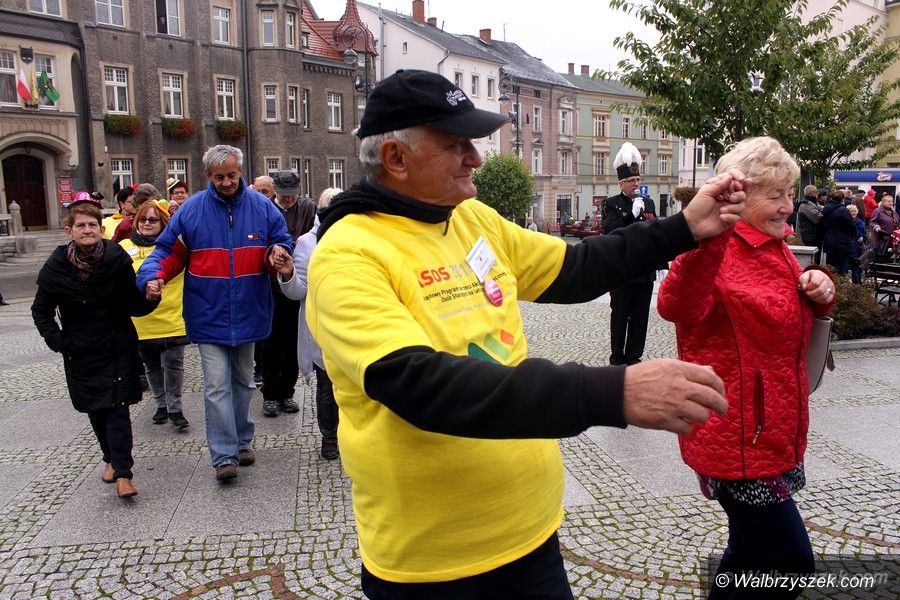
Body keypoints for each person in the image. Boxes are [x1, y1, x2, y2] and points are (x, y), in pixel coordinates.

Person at [303, 69, 750, 597]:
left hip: (532, 534)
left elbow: (575, 268)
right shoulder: (348, 254)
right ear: (395, 158)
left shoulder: (471, 218)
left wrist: (683, 228)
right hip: (434, 564)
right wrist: (612, 390)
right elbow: (419, 383)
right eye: (456, 144)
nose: (476, 157)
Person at [657, 137, 836, 600]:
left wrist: (820, 290)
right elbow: (675, 306)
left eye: (789, 193)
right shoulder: (718, 244)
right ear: (743, 196)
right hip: (737, 439)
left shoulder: (773, 245)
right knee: (792, 564)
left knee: (746, 553)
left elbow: (784, 325)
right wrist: (704, 242)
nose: (788, 206)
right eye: (776, 195)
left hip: (770, 430)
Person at [136, 144, 292, 482]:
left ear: (240, 171)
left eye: (231, 175)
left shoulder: (262, 207)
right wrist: (152, 276)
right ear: (208, 175)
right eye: (219, 177)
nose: (227, 182)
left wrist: (277, 254)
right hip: (208, 313)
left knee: (244, 382)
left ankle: (242, 439)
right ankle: (223, 456)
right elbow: (167, 252)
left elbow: (280, 241)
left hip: (249, 311)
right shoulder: (192, 210)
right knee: (217, 386)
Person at [32, 196, 157, 499]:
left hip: (117, 345)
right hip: (81, 350)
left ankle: (124, 474)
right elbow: (41, 311)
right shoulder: (56, 267)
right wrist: (58, 341)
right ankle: (110, 458)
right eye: (81, 225)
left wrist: (151, 297)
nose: (87, 230)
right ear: (69, 230)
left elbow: (132, 303)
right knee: (96, 409)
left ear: (101, 229)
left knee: (117, 408)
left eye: (92, 225)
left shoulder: (116, 258)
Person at [274, 187, 342, 459]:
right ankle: (329, 437)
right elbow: (297, 291)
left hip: (354, 322)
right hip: (322, 326)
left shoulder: (359, 237)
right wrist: (289, 273)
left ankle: (354, 435)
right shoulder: (307, 242)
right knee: (327, 386)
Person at [120, 200, 190, 429]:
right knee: (151, 367)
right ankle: (160, 405)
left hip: (173, 318)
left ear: (163, 223)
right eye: (142, 219)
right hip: (142, 321)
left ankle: (175, 408)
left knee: (174, 365)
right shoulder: (123, 247)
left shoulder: (175, 247)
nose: (147, 224)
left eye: (153, 220)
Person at [259, 171, 316, 417]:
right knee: (271, 343)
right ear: (275, 191)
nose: (289, 200)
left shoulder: (308, 208)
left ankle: (287, 392)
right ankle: (270, 394)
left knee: (294, 342)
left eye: (292, 195)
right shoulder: (265, 209)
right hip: (271, 287)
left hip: (297, 284)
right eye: (284, 196)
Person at [601, 142, 661, 366]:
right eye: (631, 180)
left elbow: (654, 232)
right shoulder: (611, 204)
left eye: (638, 179)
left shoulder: (648, 203)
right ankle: (617, 358)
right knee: (620, 315)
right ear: (621, 183)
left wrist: (661, 262)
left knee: (640, 316)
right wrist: (630, 216)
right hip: (622, 272)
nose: (636, 184)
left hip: (644, 271)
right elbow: (610, 231)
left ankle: (634, 357)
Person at [821, 189, 855, 275]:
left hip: (829, 241)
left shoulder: (825, 209)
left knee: (830, 267)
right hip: (842, 243)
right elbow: (850, 226)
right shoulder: (843, 210)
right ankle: (839, 282)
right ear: (842, 199)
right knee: (841, 268)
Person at [870, 193, 899, 262]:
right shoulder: (877, 211)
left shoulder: (893, 211)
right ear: (883, 202)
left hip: (892, 239)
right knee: (880, 257)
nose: (891, 203)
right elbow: (872, 222)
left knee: (889, 256)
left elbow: (898, 220)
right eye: (888, 201)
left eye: (891, 201)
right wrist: (876, 227)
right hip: (881, 239)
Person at [848, 204, 866, 284]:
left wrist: (863, 237)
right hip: (848, 246)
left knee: (856, 266)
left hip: (857, 247)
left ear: (857, 212)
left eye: (854, 211)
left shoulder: (860, 222)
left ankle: (857, 283)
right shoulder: (846, 222)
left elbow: (864, 233)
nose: (853, 212)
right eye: (851, 211)